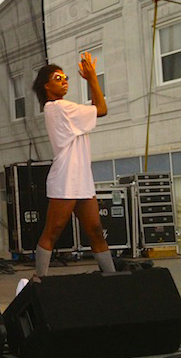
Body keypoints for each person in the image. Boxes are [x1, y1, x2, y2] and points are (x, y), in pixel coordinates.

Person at [30, 52, 116, 279]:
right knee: (54, 230)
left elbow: (98, 107)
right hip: (65, 178)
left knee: (96, 231)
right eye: (58, 78)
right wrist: (92, 78)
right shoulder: (57, 107)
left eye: (66, 77)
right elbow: (102, 108)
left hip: (82, 179)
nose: (65, 80)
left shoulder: (67, 108)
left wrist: (91, 79)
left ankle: (113, 279)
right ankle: (40, 281)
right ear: (46, 87)